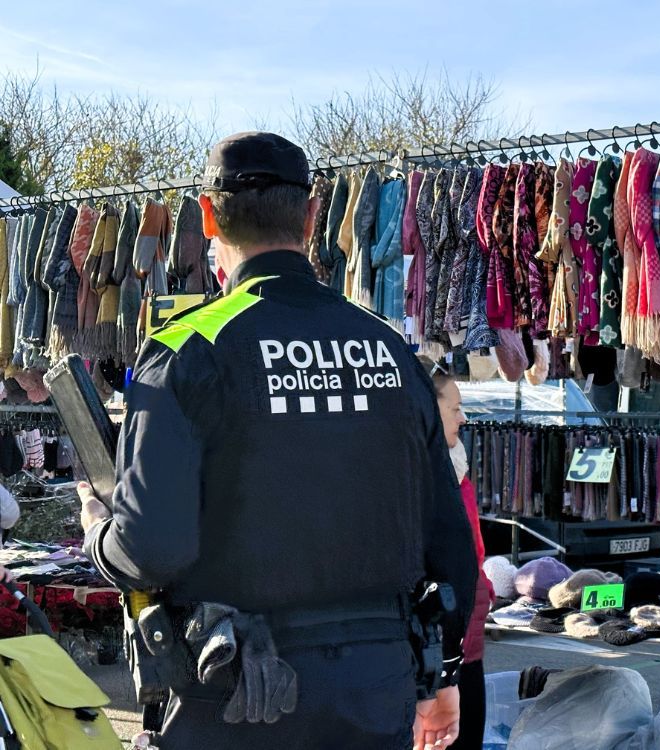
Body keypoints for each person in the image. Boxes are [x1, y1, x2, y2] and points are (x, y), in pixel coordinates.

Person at [78, 131, 478, 749]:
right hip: (374, 687)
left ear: (208, 216)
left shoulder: (187, 351)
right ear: (313, 214)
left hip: (236, 693)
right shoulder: (389, 349)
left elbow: (153, 547)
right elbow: (450, 538)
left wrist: (101, 532)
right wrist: (442, 672)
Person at [432, 371, 493, 749]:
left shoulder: (454, 466)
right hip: (443, 636)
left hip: (466, 626)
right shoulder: (426, 475)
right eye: (455, 408)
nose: (463, 418)